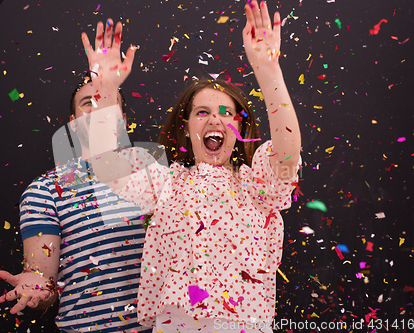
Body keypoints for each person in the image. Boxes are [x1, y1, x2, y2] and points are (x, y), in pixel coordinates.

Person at [82, 1, 301, 332]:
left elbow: (287, 156)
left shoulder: (257, 184)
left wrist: (268, 70)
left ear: (240, 129)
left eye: (227, 113)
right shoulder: (165, 182)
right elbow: (108, 164)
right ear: (186, 127)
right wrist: (107, 89)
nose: (215, 118)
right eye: (202, 112)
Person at [0, 23, 152, 332]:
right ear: (72, 123)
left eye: (105, 101)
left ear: (122, 118)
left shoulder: (154, 177)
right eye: (87, 104)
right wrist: (36, 286)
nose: (98, 110)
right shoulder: (44, 192)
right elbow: (43, 277)